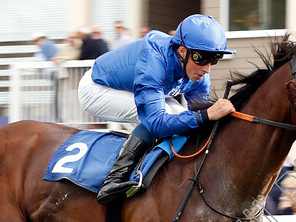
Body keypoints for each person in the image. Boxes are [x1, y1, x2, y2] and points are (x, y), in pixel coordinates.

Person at [78, 13, 236, 204]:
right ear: (183, 51)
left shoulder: (200, 73)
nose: (207, 69)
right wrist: (207, 114)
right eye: (202, 58)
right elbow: (157, 123)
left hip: (129, 88)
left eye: (214, 59)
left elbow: (198, 118)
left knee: (181, 116)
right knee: (165, 116)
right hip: (96, 88)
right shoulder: (154, 58)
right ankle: (113, 180)